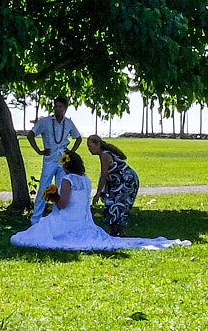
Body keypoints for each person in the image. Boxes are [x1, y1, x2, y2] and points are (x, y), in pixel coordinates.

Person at [10, 152, 187, 252]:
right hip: (83, 220)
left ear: (65, 166)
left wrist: (52, 197)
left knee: (34, 233)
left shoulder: (67, 179)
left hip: (67, 219)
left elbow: (63, 204)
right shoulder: (85, 179)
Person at [28, 94, 81, 218]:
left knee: (62, 188)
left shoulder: (68, 123)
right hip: (50, 159)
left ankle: (58, 216)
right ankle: (36, 218)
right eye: (56, 106)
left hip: (63, 161)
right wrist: (39, 151)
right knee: (44, 187)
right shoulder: (45, 121)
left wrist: (71, 152)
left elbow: (78, 138)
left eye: (61, 106)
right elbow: (30, 135)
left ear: (66, 108)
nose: (58, 109)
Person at [86, 134, 141, 235]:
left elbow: (104, 174)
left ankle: (118, 230)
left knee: (117, 205)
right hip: (120, 182)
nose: (89, 149)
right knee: (112, 204)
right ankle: (116, 230)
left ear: (98, 144)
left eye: (90, 146)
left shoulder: (105, 155)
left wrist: (98, 193)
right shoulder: (104, 154)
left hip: (127, 181)